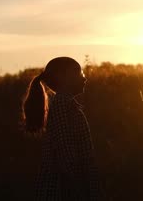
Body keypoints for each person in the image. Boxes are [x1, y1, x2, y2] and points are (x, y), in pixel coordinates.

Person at [22, 57, 103, 201]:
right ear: (63, 77)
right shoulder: (61, 105)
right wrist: (81, 190)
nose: (84, 78)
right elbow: (66, 155)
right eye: (79, 72)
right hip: (63, 189)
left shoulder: (66, 104)